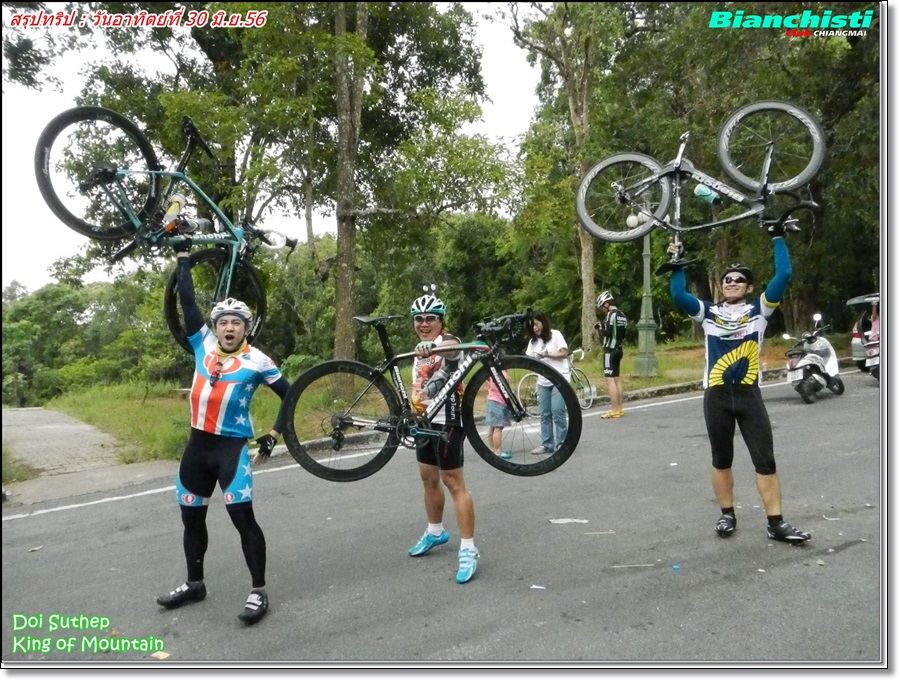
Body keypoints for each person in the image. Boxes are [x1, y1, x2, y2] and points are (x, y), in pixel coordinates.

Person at [156, 242, 292, 624]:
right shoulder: (203, 345)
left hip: (231, 452)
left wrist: (274, 433)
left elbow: (291, 395)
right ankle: (194, 584)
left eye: (236, 323)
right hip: (196, 450)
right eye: (223, 322)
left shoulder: (258, 360)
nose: (229, 328)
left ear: (246, 328)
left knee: (243, 521)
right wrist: (183, 257)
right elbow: (187, 302)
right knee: (191, 520)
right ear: (215, 328)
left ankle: (259, 591)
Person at [664, 227, 811, 544]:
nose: (731, 283)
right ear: (721, 286)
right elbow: (678, 295)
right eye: (727, 279)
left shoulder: (760, 309)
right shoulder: (708, 313)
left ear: (749, 287)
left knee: (765, 461)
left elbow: (784, 274)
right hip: (716, 396)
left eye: (739, 279)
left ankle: (776, 523)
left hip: (748, 395)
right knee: (721, 459)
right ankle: (727, 514)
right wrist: (677, 264)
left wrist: (777, 237)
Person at [407, 290, 479, 584]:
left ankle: (469, 549)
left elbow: (452, 352)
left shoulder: (449, 341)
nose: (424, 324)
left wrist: (433, 348)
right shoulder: (418, 349)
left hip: (448, 420)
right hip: (424, 421)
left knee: (453, 482)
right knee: (428, 478)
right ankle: (435, 531)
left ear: (440, 321)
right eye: (419, 319)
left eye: (430, 319)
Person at [524, 311, 569, 455]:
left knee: (557, 411)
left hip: (559, 378)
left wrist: (548, 355)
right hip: (543, 380)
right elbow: (529, 360)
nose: (535, 328)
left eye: (537, 324)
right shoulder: (533, 342)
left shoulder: (555, 335)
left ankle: (562, 444)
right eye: (532, 326)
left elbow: (564, 353)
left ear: (543, 322)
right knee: (544, 413)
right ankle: (547, 444)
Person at [595, 290, 627, 419]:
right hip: (619, 349)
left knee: (610, 380)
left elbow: (608, 332)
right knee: (617, 379)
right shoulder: (622, 315)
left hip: (610, 350)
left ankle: (614, 409)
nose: (602, 309)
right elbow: (623, 333)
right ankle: (620, 408)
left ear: (607, 304)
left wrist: (600, 327)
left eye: (602, 306)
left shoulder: (610, 315)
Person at [486, 372, 512, 459]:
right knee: (498, 427)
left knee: (492, 427)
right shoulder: (502, 373)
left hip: (491, 400)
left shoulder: (490, 373)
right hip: (499, 402)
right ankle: (498, 451)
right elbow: (507, 390)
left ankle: (492, 449)